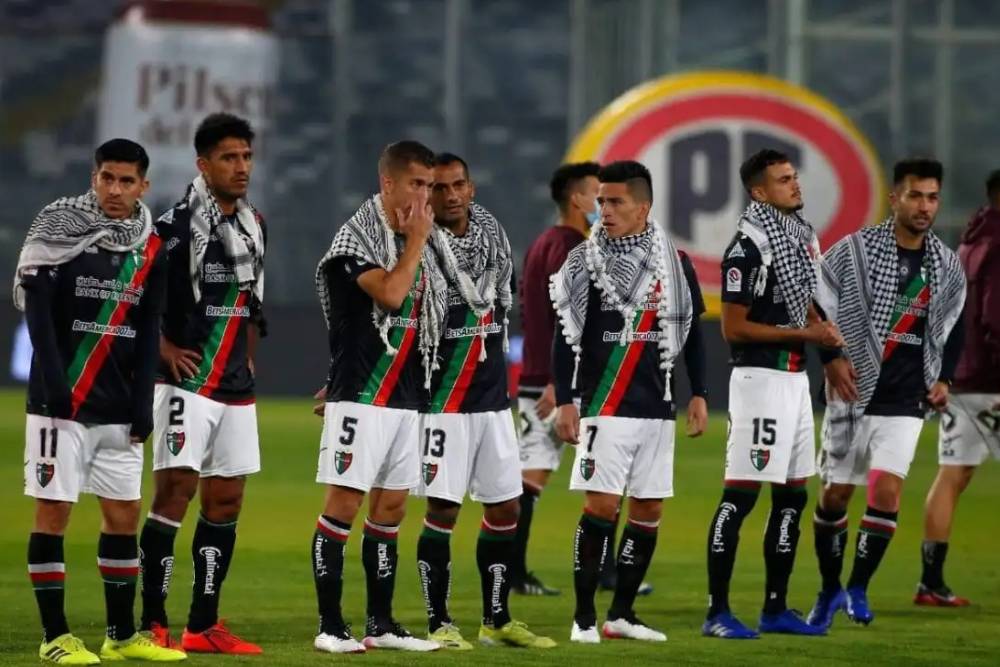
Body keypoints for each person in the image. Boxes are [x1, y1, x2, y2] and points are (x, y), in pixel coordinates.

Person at [17, 139, 185, 663]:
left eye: (126, 181)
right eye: (106, 178)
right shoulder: (57, 228)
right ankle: (54, 638)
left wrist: (142, 404)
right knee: (54, 513)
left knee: (123, 516)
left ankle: (121, 635)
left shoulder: (151, 246)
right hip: (61, 405)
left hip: (118, 406)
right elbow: (37, 316)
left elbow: (149, 324)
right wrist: (52, 387)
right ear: (94, 177)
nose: (115, 190)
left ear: (144, 186)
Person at [552, 160, 707, 643]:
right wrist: (567, 400)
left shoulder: (673, 263)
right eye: (600, 201)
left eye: (615, 201)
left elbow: (692, 331)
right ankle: (582, 618)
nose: (604, 210)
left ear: (644, 207)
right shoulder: (582, 262)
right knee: (600, 507)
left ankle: (620, 615)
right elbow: (566, 335)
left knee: (648, 511)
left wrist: (698, 392)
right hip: (603, 403)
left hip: (656, 407)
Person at [808, 158, 966, 628]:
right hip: (853, 390)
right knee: (835, 496)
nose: (925, 206)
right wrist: (830, 361)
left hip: (905, 397)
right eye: (916, 195)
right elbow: (817, 304)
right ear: (895, 198)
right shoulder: (854, 251)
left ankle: (858, 587)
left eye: (933, 197)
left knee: (886, 489)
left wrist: (945, 379)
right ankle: (829, 587)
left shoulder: (945, 264)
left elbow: (953, 326)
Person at [413, 152, 556, 650]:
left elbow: (505, 308)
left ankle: (496, 619)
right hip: (443, 400)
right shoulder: (416, 245)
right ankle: (438, 621)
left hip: (493, 399)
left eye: (458, 185)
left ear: (471, 188)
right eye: (440, 188)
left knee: (505, 507)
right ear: (426, 193)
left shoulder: (495, 237)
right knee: (444, 511)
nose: (451, 195)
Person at [138, 113, 267, 655]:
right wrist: (162, 349)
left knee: (227, 500)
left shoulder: (255, 224)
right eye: (229, 157)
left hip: (234, 385)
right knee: (175, 493)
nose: (241, 167)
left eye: (246, 156)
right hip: (186, 383)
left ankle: (203, 623)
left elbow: (252, 301)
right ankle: (151, 622)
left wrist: (250, 356)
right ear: (203, 164)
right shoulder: (170, 230)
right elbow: (139, 300)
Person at [702, 149, 844, 640]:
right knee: (739, 498)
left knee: (792, 498)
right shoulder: (747, 249)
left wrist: (829, 355)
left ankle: (775, 609)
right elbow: (734, 329)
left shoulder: (799, 239)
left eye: (794, 177)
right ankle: (716, 612)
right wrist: (809, 338)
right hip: (759, 383)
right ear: (759, 192)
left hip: (793, 383)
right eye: (783, 180)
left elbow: (808, 308)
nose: (795, 185)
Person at [310, 140, 444, 654]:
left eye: (430, 186)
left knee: (390, 509)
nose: (425, 196)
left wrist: (417, 243)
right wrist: (414, 243)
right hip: (362, 395)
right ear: (388, 183)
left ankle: (381, 623)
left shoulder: (421, 243)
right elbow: (390, 293)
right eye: (416, 184)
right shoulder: (354, 242)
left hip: (405, 396)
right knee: (343, 505)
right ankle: (329, 625)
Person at [512, 161, 600, 596]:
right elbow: (566, 320)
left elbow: (532, 314)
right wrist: (557, 382)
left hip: (538, 376)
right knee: (541, 476)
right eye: (596, 194)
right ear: (576, 199)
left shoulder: (542, 243)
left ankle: (514, 573)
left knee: (535, 475)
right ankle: (514, 574)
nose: (602, 202)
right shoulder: (571, 249)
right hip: (553, 383)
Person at [917, 169, 1000, 607]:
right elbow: (994, 317)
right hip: (991, 379)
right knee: (954, 475)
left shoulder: (969, 242)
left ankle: (930, 582)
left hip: (960, 378)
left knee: (954, 474)